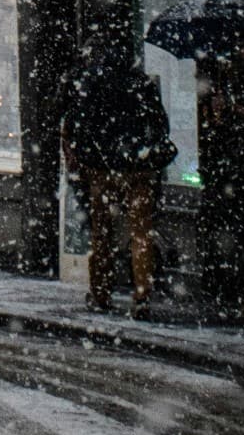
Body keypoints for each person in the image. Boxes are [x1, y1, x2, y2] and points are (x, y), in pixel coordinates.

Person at [61, 43, 176, 314]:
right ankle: (142, 295)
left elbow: (79, 126)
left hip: (103, 170)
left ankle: (101, 292)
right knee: (141, 232)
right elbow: (160, 124)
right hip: (138, 167)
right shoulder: (141, 84)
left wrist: (88, 158)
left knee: (101, 232)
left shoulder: (92, 84)